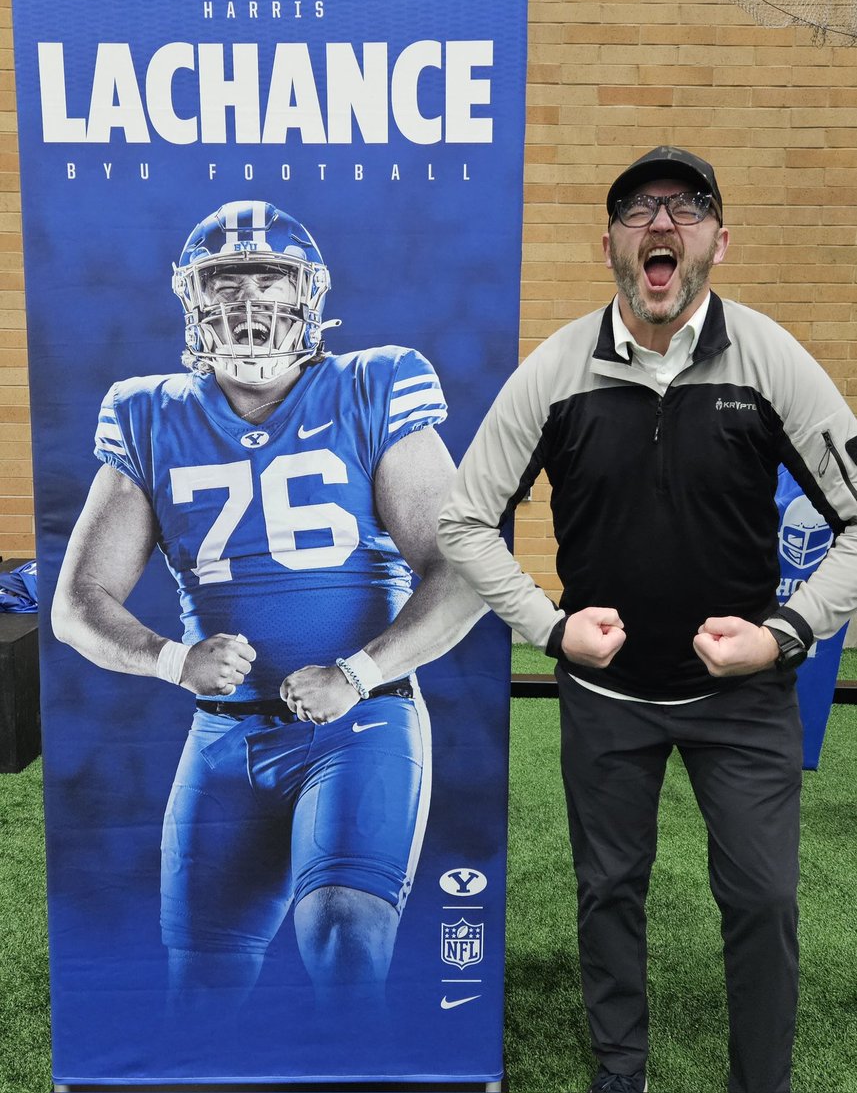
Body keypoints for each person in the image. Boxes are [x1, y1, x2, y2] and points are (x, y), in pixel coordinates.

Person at [437, 145, 857, 1093]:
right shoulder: (554, 370)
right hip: (606, 696)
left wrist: (783, 634)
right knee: (607, 891)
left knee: (763, 898)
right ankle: (617, 1076)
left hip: (743, 698)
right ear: (610, 246)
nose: (660, 224)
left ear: (719, 240)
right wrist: (548, 629)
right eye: (637, 211)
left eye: (686, 207)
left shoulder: (769, 358)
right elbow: (463, 517)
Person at [52, 199, 483, 1024]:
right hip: (223, 735)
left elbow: (461, 571)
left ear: (307, 295)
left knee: (343, 935)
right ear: (193, 299)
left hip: (361, 724)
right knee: (201, 992)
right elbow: (77, 601)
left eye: (269, 280)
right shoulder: (149, 411)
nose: (248, 304)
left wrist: (358, 672)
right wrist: (171, 659)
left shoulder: (372, 383)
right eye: (225, 282)